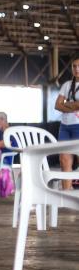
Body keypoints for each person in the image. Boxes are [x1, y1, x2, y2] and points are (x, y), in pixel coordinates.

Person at [55, 58, 79, 190]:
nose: (76, 69)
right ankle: (66, 196)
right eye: (74, 66)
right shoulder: (67, 85)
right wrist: (73, 106)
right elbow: (57, 105)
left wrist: (66, 104)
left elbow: (63, 104)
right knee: (64, 161)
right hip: (64, 127)